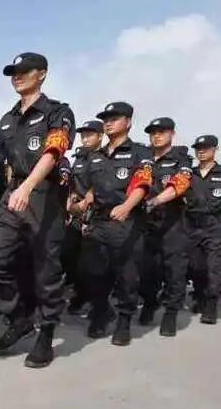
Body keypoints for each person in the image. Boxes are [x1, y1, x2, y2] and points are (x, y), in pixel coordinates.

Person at [0, 52, 75, 367]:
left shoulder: (57, 112)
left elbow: (54, 150)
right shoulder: (7, 119)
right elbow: (2, 160)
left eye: (24, 71)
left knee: (46, 269)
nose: (17, 76)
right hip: (14, 193)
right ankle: (19, 317)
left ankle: (46, 333)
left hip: (43, 193)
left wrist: (28, 186)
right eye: (13, 72)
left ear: (42, 74)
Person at [77, 102, 152, 345]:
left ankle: (124, 320)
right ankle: (101, 311)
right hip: (99, 221)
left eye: (114, 118)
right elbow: (88, 188)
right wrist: (81, 203)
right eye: (106, 119)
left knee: (127, 275)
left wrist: (127, 206)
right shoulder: (95, 156)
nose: (108, 123)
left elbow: (142, 182)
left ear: (128, 122)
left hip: (127, 220)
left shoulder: (140, 152)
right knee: (93, 272)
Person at [138, 118, 192, 336]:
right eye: (153, 133)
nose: (156, 136)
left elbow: (180, 184)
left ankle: (171, 312)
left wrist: (155, 201)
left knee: (174, 270)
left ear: (172, 134)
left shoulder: (181, 159)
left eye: (161, 132)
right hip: (146, 224)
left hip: (172, 223)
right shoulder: (143, 158)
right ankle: (150, 302)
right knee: (146, 269)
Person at [65, 120, 104, 315]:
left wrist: (88, 200)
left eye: (90, 135)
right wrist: (71, 203)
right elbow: (73, 185)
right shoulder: (79, 158)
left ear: (100, 136)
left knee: (90, 262)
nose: (85, 138)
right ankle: (79, 294)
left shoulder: (105, 157)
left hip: (96, 214)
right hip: (76, 214)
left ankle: (91, 300)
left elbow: (103, 184)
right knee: (70, 256)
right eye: (83, 135)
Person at [184, 135, 221, 324]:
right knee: (196, 266)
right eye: (198, 148)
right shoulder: (189, 175)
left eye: (206, 147)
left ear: (215, 149)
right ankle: (200, 296)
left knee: (214, 267)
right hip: (192, 225)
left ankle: (211, 304)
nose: (202, 151)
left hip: (215, 226)